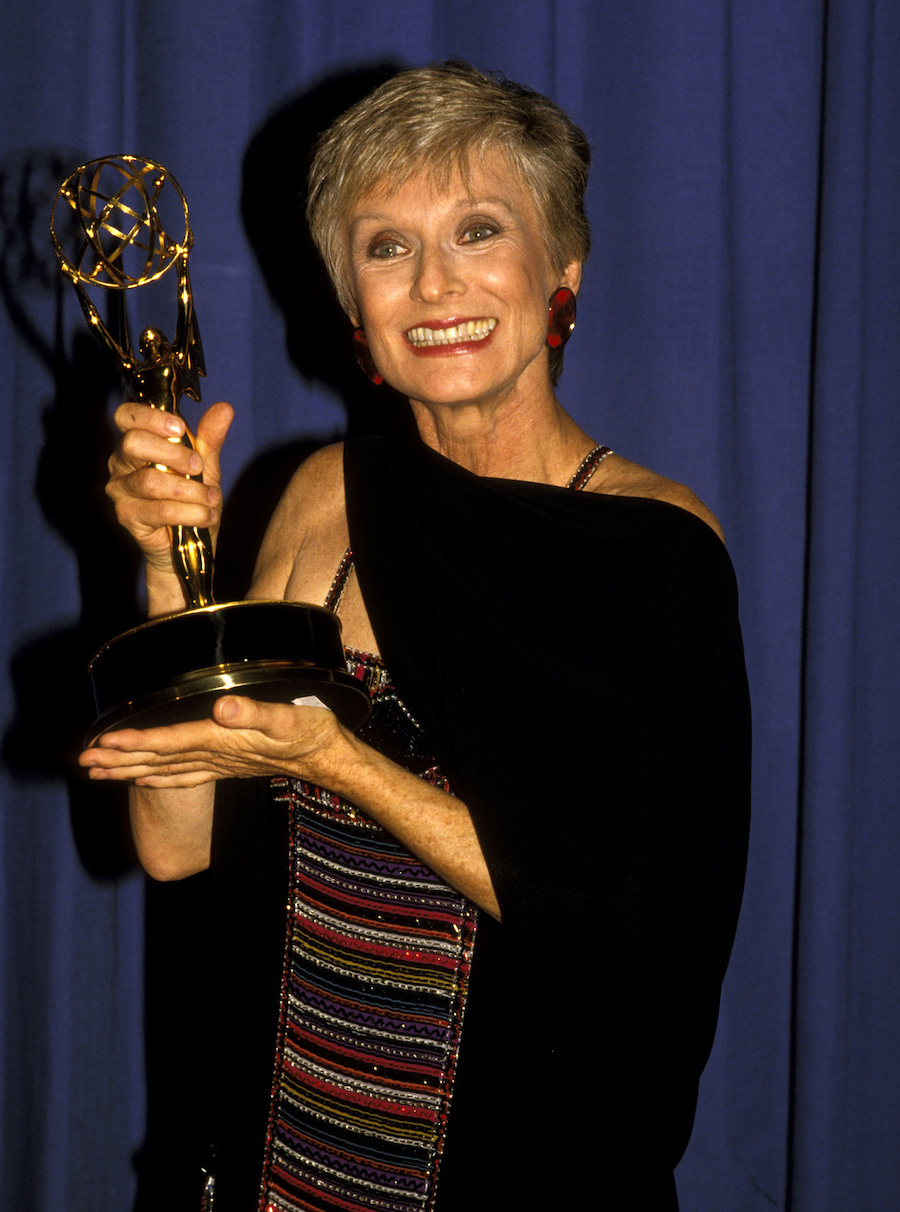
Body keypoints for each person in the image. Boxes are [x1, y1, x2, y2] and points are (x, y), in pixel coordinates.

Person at [80, 61, 750, 1212]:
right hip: (278, 1165)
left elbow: (615, 920)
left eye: (479, 230)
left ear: (563, 272)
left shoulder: (656, 547)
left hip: (519, 1170)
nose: (434, 285)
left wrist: (335, 761)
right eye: (387, 246)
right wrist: (166, 570)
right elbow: (175, 842)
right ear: (355, 308)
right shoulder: (320, 496)